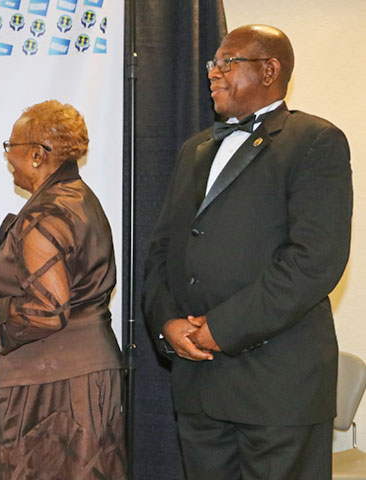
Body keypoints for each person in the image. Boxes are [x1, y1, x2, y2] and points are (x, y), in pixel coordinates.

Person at [143, 24, 352, 480]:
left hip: (278, 389)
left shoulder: (315, 141)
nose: (213, 74)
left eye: (226, 63)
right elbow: (161, 252)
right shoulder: (194, 149)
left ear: (269, 70)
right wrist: (168, 321)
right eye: (212, 65)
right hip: (199, 385)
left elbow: (315, 259)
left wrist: (222, 327)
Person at [0, 100, 125, 479]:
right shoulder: (80, 199)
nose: (9, 158)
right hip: (81, 379)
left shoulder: (47, 214)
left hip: (49, 392)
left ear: (37, 155)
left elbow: (45, 312)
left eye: (11, 147)